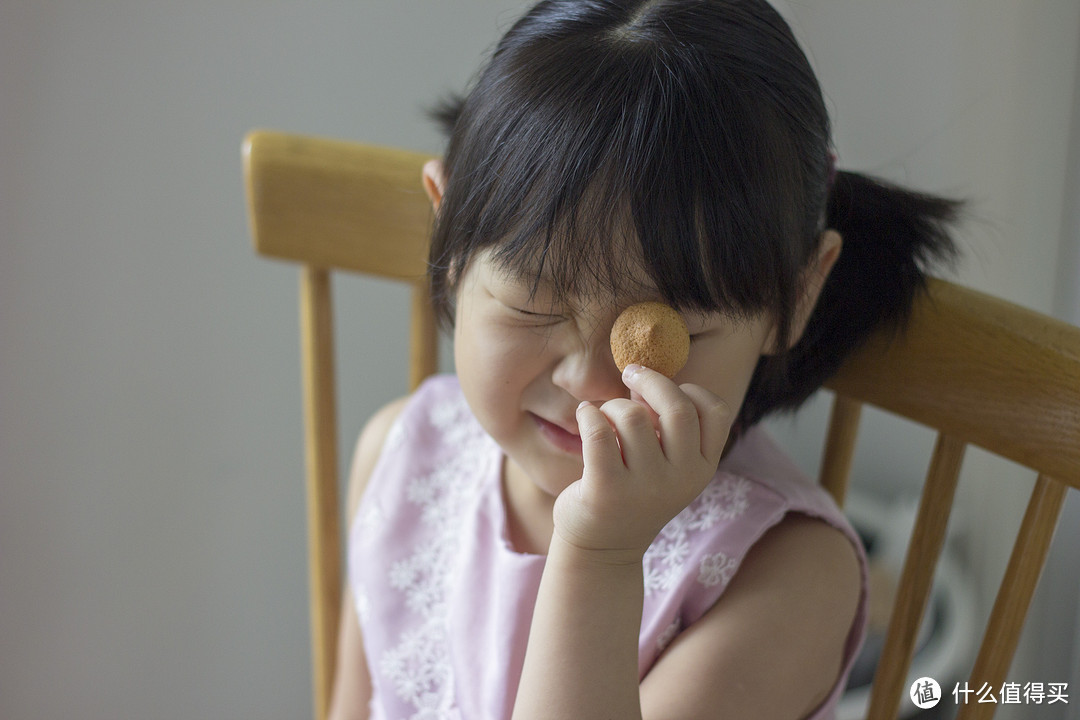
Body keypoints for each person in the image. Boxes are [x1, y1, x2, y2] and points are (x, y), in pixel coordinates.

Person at [329, 1, 960, 718]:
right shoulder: (402, 456)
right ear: (446, 235)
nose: (589, 386)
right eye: (533, 305)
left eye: (665, 336)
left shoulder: (792, 579)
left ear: (798, 294)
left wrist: (600, 556)